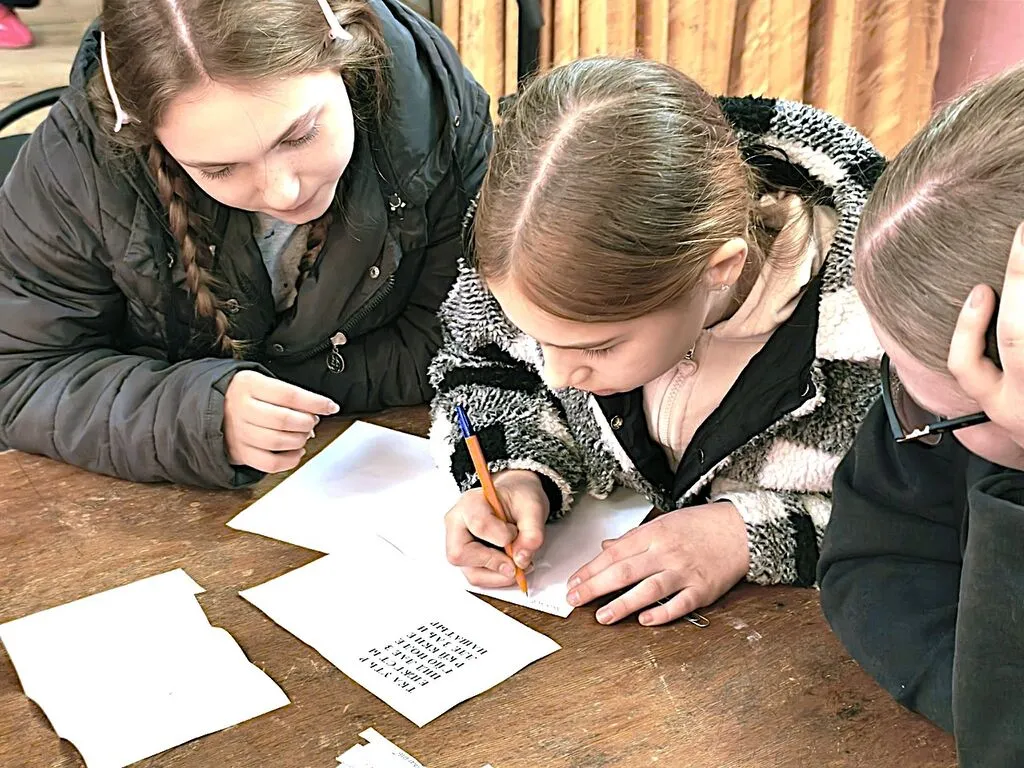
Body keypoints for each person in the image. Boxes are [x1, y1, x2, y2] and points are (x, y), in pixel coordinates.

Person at [429, 57, 882, 627]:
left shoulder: (883, 345)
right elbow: (483, 360)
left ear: (719, 269)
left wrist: (745, 535)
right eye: (540, 338)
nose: (558, 374)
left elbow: (930, 520)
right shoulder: (526, 254)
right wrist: (516, 469)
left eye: (598, 348)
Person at [0, 0, 491, 488]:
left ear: (344, 52)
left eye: (300, 135)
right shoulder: (73, 170)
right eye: (219, 169)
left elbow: (471, 325)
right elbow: (19, 376)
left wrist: (278, 394)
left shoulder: (433, 102)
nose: (284, 193)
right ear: (149, 138)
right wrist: (195, 416)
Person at [818, 64, 1024, 765]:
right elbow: (870, 559)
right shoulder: (941, 415)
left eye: (938, 413)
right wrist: (969, 685)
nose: (905, 423)